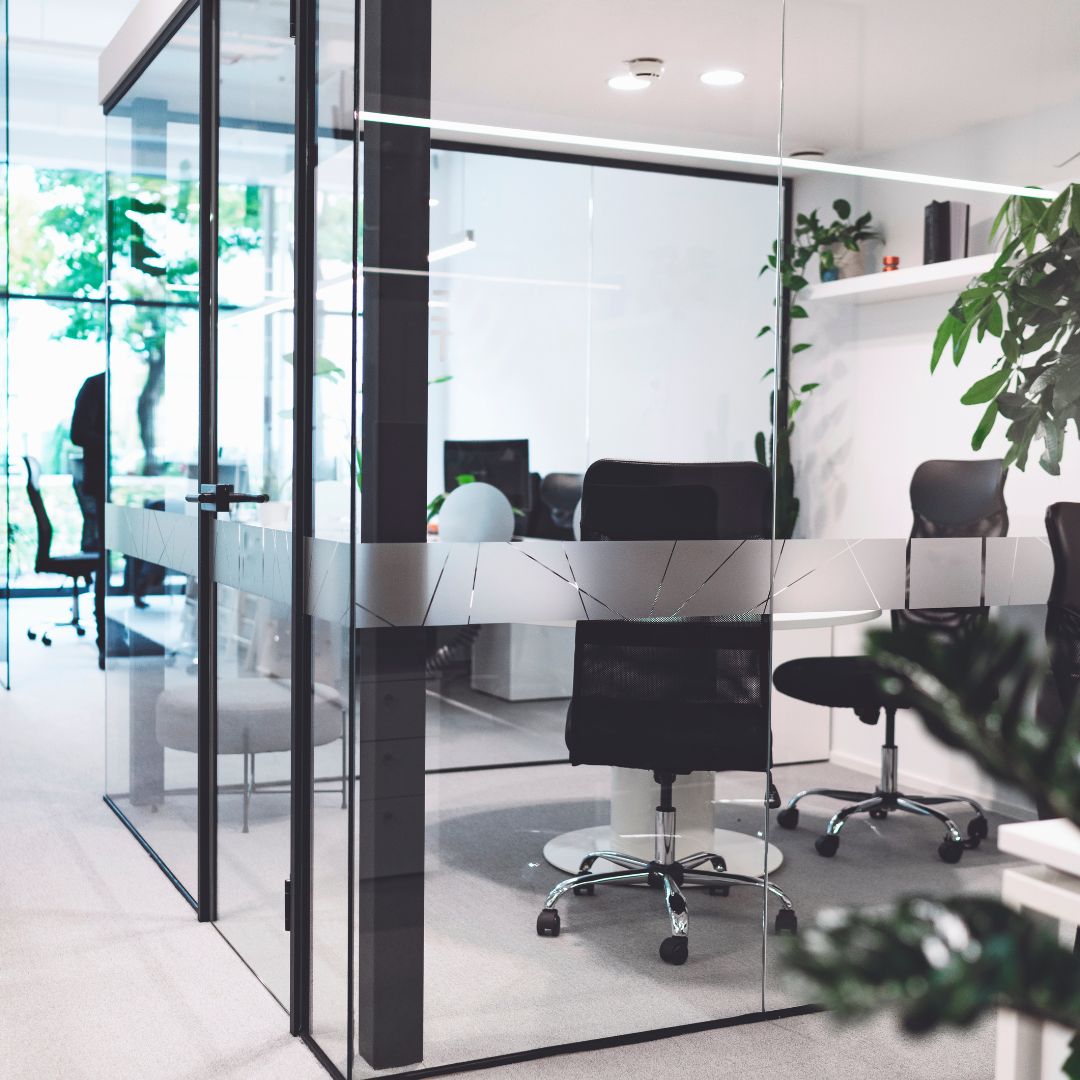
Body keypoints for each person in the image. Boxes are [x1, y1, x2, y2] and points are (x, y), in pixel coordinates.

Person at [70, 372, 106, 669]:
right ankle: (104, 639)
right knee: (103, 558)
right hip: (100, 485)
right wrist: (109, 444)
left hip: (110, 484)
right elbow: (78, 433)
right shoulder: (96, 384)